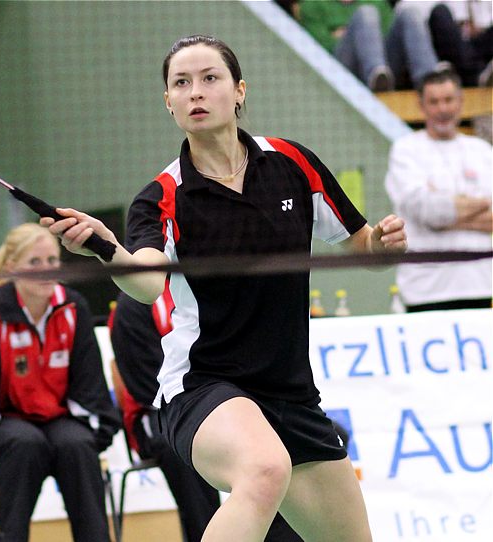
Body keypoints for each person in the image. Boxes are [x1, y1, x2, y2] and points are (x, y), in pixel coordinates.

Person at [42, 35, 407, 541]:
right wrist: (109, 249)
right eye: (181, 83)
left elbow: (362, 248)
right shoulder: (162, 197)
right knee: (263, 469)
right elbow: (148, 283)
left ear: (239, 91)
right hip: (204, 387)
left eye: (210, 79)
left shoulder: (291, 164)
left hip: (291, 393)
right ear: (167, 102)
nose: (196, 92)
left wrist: (384, 245)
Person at [0, 223, 121, 542]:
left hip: (60, 419)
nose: (46, 270)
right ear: (13, 269)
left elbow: (91, 385)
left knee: (77, 444)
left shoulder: (73, 308)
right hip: (9, 423)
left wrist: (96, 432)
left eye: (52, 261)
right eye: (35, 263)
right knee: (24, 443)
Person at [109, 291, 222, 542]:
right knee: (184, 442)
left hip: (218, 400)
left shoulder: (200, 287)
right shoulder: (132, 304)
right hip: (157, 411)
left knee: (282, 428)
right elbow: (145, 386)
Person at [385, 69, 492, 312]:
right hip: (424, 290)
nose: (442, 109)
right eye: (434, 102)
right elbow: (427, 211)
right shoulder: (406, 150)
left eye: (448, 100)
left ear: (461, 102)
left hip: (479, 284)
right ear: (421, 105)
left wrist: (444, 209)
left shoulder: (482, 151)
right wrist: (482, 204)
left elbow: (435, 214)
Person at [299, 0, 439, 91]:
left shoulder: (378, 2)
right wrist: (357, 34)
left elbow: (389, 39)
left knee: (410, 12)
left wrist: (347, 32)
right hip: (341, 70)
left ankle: (431, 83)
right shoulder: (311, 4)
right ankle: (375, 74)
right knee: (366, 13)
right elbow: (320, 48)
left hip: (387, 71)